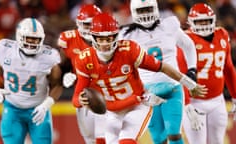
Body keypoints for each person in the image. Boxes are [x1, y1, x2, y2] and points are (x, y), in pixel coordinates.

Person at [71, 12, 207, 144]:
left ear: (116, 36)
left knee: (127, 140)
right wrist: (81, 100)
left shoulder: (129, 51)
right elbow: (76, 99)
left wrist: (189, 84)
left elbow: (162, 67)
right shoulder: (84, 60)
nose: (105, 43)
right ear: (93, 38)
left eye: (109, 38)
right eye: (101, 39)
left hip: (137, 107)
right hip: (113, 113)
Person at [118, 0, 199, 143]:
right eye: (142, 11)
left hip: (172, 87)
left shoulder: (169, 25)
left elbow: (188, 45)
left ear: (155, 8)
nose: (146, 14)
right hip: (147, 92)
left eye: (148, 9)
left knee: (174, 133)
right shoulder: (126, 34)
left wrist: (192, 69)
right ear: (134, 12)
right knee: (158, 138)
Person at [0, 18, 63, 144]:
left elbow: (57, 85)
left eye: (36, 39)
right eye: (29, 38)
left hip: (38, 109)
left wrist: (45, 105)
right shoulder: (4, 49)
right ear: (19, 37)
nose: (32, 42)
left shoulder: (49, 57)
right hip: (12, 109)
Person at [182, 3, 236, 144]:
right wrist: (186, 104)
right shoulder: (185, 39)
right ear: (191, 23)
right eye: (200, 21)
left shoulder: (222, 34)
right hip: (195, 102)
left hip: (218, 100)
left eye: (206, 20)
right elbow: (180, 75)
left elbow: (228, 68)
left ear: (213, 20)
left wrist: (235, 96)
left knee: (218, 141)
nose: (203, 24)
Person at [57, 4, 106, 144]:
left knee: (108, 137)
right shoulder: (69, 40)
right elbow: (60, 65)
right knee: (90, 138)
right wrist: (66, 75)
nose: (90, 28)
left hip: (109, 91)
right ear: (78, 24)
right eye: (86, 24)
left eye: (93, 24)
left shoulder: (111, 38)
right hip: (85, 93)